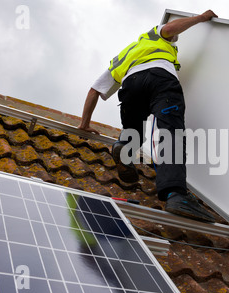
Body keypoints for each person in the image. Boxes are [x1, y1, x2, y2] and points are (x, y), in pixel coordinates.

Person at [78, 10, 218, 223]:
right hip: (160, 80)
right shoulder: (154, 35)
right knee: (171, 133)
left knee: (134, 128)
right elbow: (170, 28)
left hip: (131, 85)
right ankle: (175, 195)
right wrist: (201, 18)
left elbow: (94, 90)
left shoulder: (124, 55)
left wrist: (84, 124)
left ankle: (125, 146)